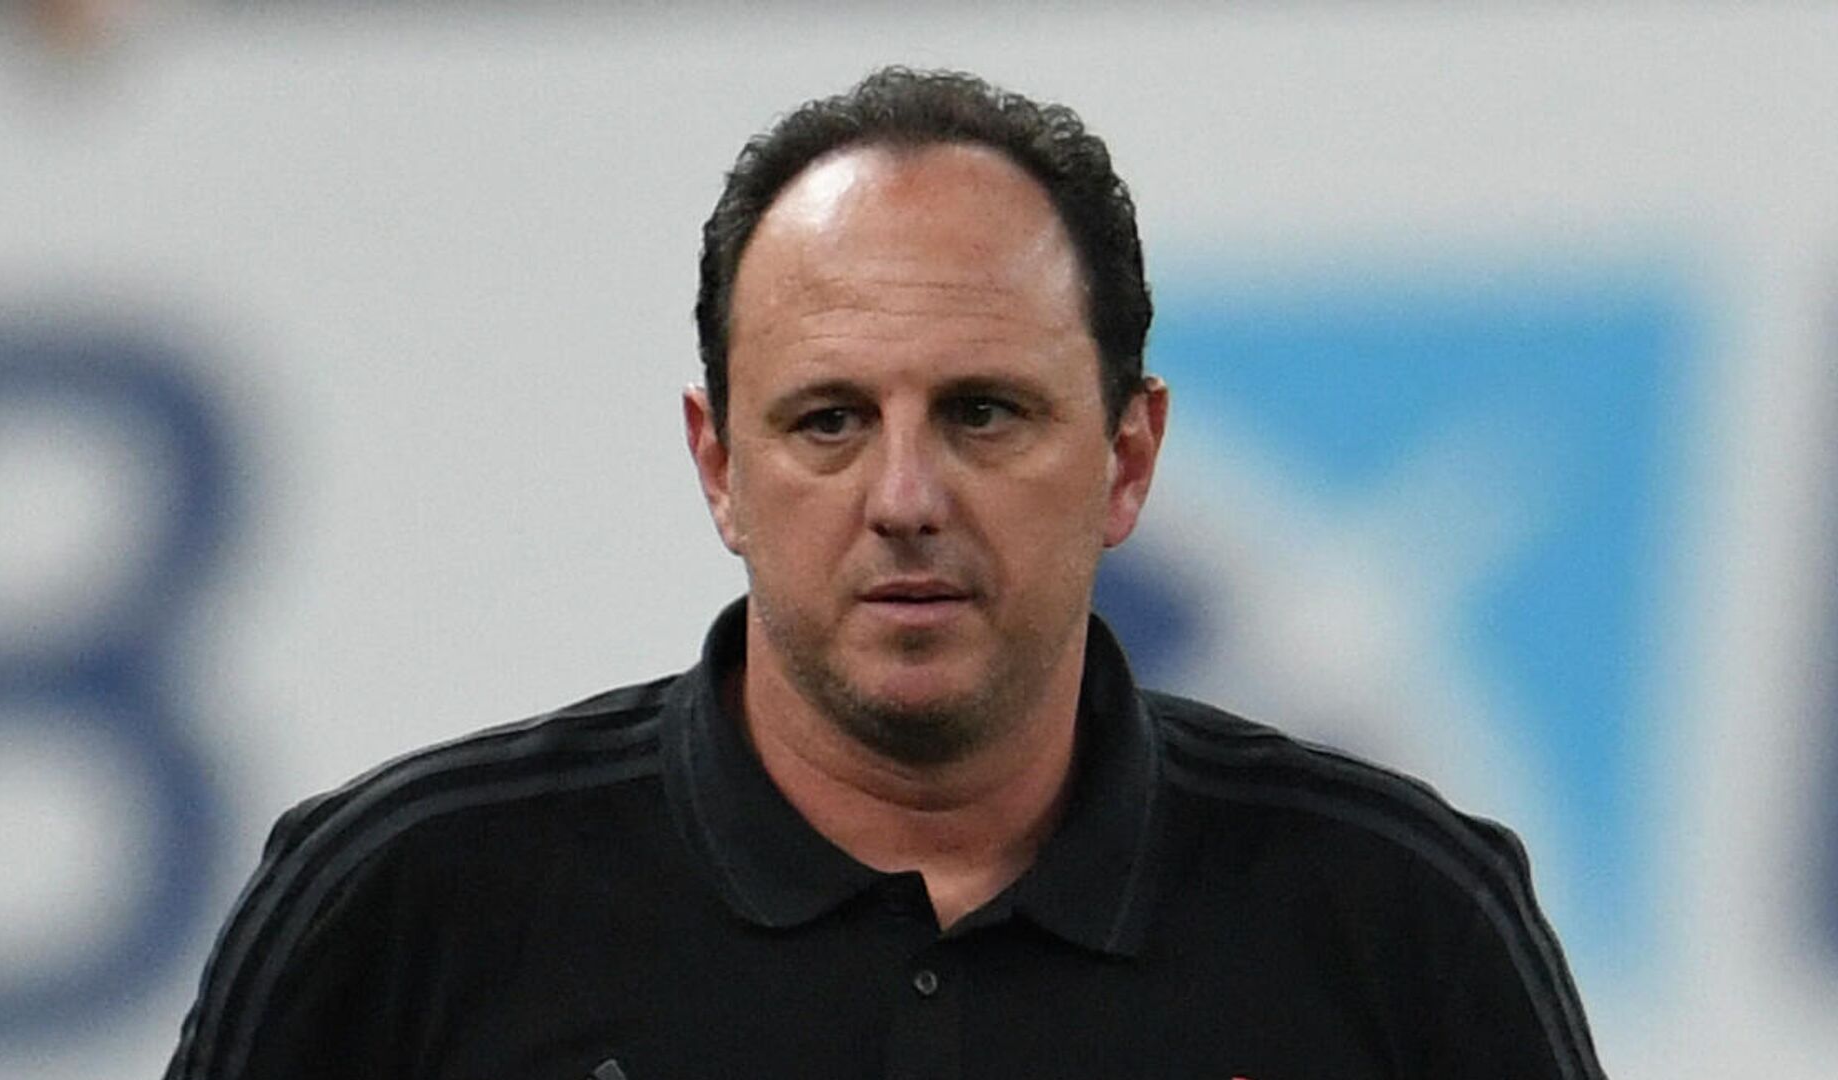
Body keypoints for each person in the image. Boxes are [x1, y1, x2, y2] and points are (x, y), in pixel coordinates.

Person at [167, 67, 1607, 1079]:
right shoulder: (406, 907)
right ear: (719, 464)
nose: (905, 499)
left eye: (984, 412)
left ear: (1127, 456)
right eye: (830, 421)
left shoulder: (1399, 920)